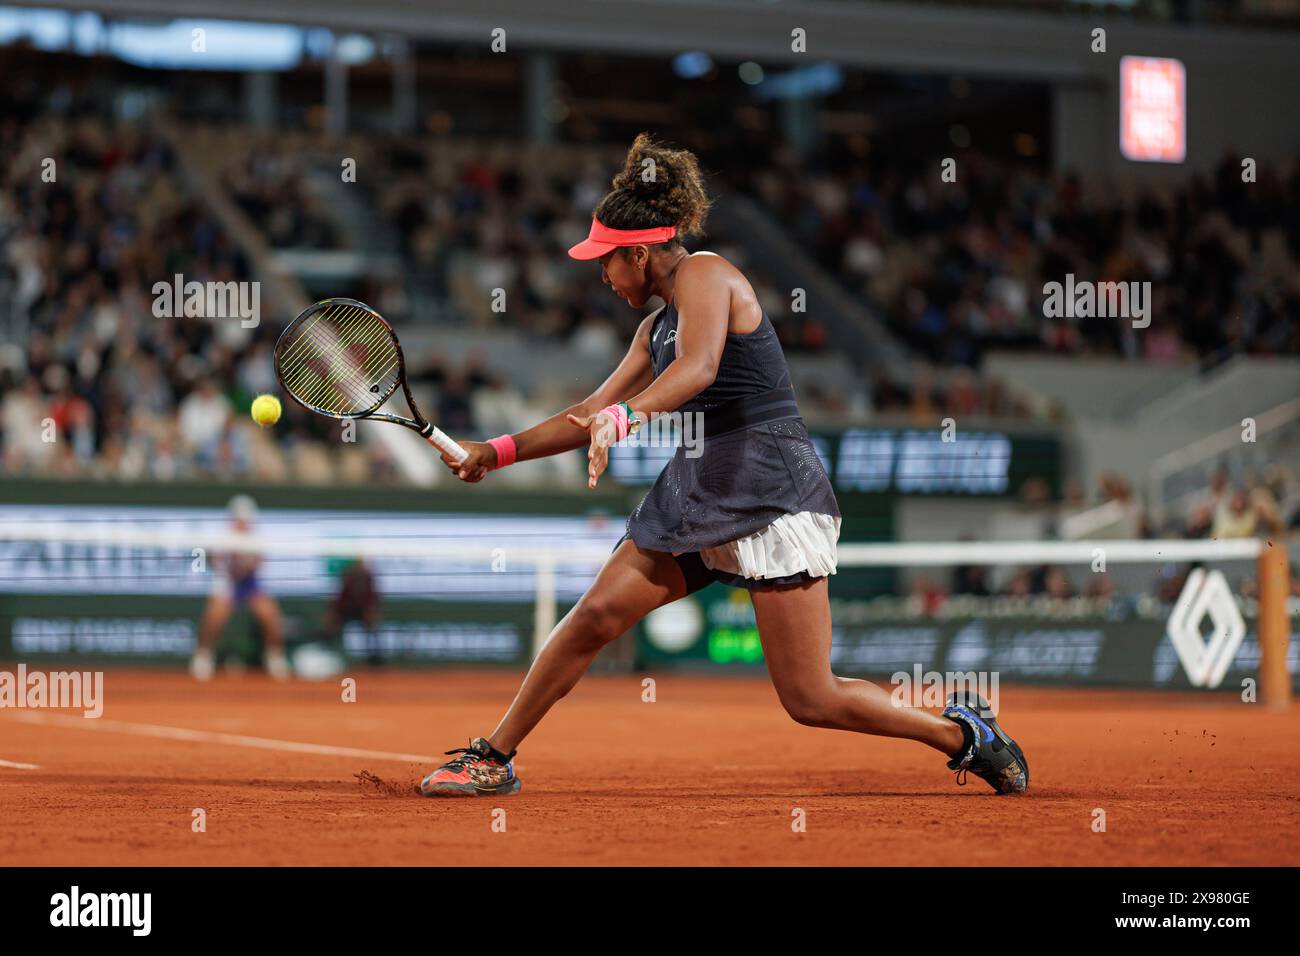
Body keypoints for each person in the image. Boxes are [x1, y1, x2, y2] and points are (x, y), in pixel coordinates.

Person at [418, 135, 1028, 797]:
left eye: (606, 264)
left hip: (770, 487)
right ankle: (492, 756)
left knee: (811, 699)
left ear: (640, 254)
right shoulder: (653, 329)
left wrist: (628, 419)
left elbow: (700, 366)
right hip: (700, 486)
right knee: (594, 617)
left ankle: (965, 736)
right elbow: (588, 410)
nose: (602, 277)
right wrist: (495, 452)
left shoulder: (708, 275)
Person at [189, 495, 290, 681]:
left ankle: (274, 656)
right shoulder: (222, 535)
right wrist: (224, 560)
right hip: (227, 582)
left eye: (245, 518)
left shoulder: (257, 536)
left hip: (251, 584)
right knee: (214, 617)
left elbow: (258, 563)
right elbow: (212, 559)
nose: (242, 522)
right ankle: (204, 656)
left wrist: (247, 563)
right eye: (239, 518)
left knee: (270, 615)